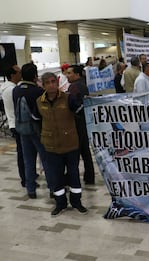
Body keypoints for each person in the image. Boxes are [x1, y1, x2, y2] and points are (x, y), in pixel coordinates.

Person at [35, 72, 88, 216]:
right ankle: (60, 204)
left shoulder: (68, 98)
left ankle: (77, 202)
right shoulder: (39, 102)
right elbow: (37, 119)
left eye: (54, 81)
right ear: (43, 85)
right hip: (51, 146)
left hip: (70, 144)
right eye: (48, 82)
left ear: (57, 83)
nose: (51, 84)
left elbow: (80, 112)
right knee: (56, 176)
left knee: (73, 175)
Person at [12, 62, 50, 198]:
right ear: (35, 75)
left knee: (28, 160)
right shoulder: (38, 91)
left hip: (22, 130)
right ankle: (52, 188)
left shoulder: (16, 90)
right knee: (46, 159)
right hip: (38, 130)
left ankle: (31, 189)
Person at [66, 65, 95, 185]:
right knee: (85, 151)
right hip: (84, 122)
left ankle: (71, 177)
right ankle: (89, 176)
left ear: (77, 74)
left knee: (76, 151)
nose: (67, 75)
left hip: (77, 122)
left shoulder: (74, 87)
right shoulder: (83, 85)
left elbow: (74, 105)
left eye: (69, 73)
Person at [2, 65, 29, 188]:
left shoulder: (8, 87)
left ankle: (27, 175)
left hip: (14, 123)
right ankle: (25, 178)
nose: (21, 74)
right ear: (13, 75)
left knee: (23, 152)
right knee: (23, 153)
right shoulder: (12, 90)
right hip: (17, 124)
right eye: (19, 72)